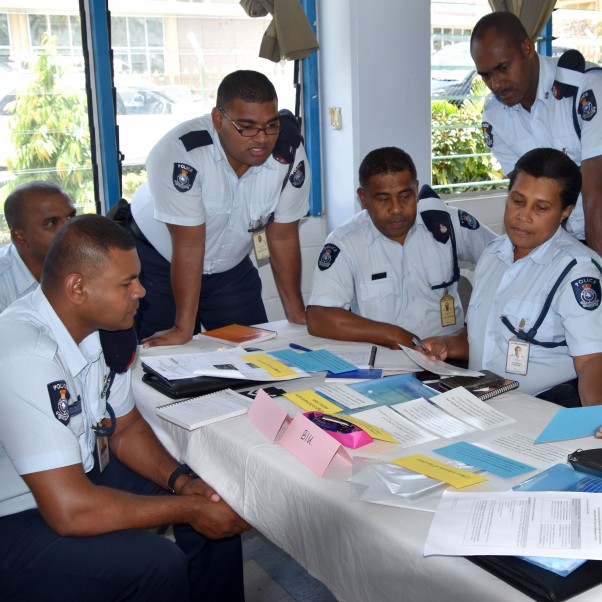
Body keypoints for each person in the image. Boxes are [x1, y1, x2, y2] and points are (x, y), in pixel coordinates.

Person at [0, 215, 250, 600]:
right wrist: (187, 509)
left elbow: (125, 428)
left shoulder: (105, 330)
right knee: (157, 563)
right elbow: (70, 511)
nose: (142, 292)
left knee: (211, 491)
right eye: (126, 283)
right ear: (77, 288)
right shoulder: (25, 356)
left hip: (74, 478)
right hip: (19, 515)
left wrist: (184, 484)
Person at [128, 69, 310, 347]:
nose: (261, 139)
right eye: (247, 127)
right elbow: (189, 246)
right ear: (218, 119)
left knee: (258, 353)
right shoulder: (182, 153)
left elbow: (283, 235)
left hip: (229, 270)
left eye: (271, 125)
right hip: (157, 265)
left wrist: (298, 317)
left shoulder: (288, 154)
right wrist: (183, 328)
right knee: (153, 358)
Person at [420, 148, 602, 407]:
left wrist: (596, 418)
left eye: (541, 208)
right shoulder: (493, 254)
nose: (523, 216)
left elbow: (593, 360)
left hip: (541, 410)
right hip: (478, 403)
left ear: (565, 212)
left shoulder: (577, 271)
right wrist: (446, 343)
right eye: (517, 201)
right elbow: (484, 336)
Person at [306, 147, 496, 348]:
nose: (396, 208)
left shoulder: (446, 222)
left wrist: (481, 323)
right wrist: (391, 335)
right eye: (383, 199)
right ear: (363, 198)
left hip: (450, 359)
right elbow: (319, 317)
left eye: (405, 196)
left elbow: (507, 257)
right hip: (387, 363)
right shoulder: (346, 242)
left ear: (416, 189)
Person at [470, 11, 602, 256]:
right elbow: (524, 197)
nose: (496, 84)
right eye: (486, 75)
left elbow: (596, 193)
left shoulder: (586, 89)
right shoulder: (494, 116)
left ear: (527, 48)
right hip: (560, 242)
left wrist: (597, 272)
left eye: (503, 68)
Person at [0, 181, 76, 312]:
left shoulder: (87, 261)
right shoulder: (3, 282)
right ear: (20, 237)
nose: (70, 229)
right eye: (52, 222)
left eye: (70, 217)